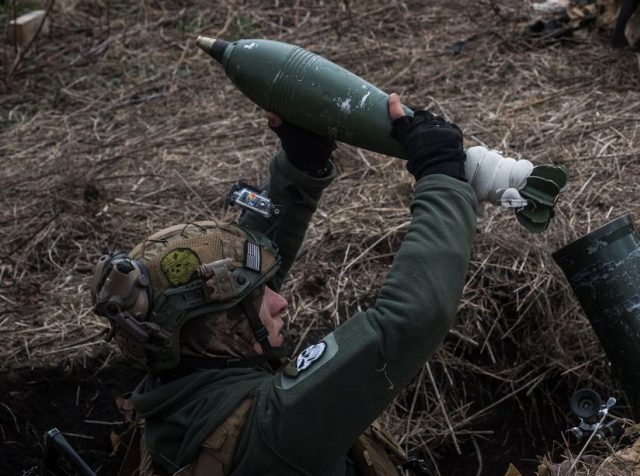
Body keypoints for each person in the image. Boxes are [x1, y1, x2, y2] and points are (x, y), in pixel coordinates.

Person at [89, 94, 478, 475]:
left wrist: (300, 167)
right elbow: (412, 317)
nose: (282, 301)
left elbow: (236, 282)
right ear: (205, 331)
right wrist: (441, 174)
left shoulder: (176, 381)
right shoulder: (274, 428)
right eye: (258, 297)